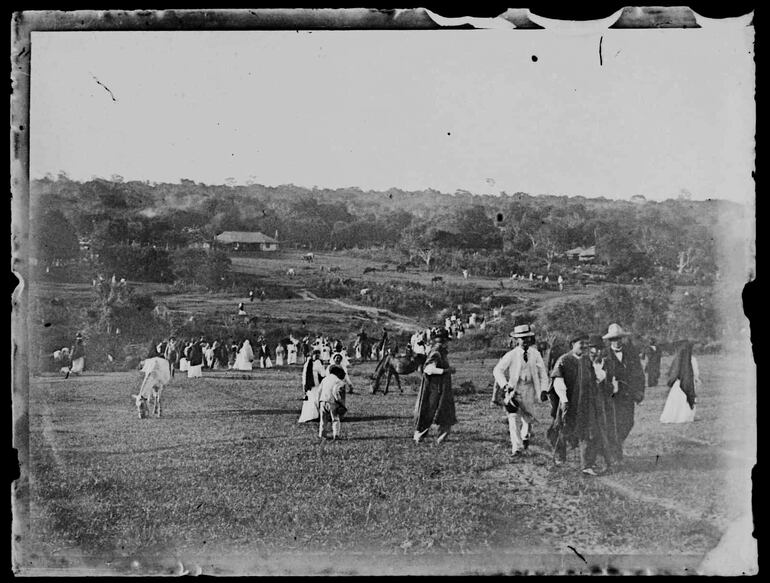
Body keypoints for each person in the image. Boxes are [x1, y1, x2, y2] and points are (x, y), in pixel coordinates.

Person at [548, 332, 615, 475]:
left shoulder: (587, 360)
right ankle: (560, 455)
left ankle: (587, 465)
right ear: (573, 344)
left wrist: (600, 370)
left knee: (588, 430)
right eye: (581, 343)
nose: (584, 346)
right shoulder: (564, 360)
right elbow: (558, 382)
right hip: (569, 400)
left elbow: (596, 378)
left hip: (585, 402)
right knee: (564, 428)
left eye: (586, 343)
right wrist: (564, 401)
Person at [492, 324, 549, 458]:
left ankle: (525, 436)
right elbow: (497, 370)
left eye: (527, 338)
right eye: (522, 338)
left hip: (529, 388)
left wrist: (544, 389)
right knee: (513, 417)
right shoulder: (512, 354)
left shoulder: (535, 354)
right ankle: (516, 447)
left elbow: (543, 373)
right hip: (514, 389)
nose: (525, 341)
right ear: (517, 340)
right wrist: (505, 385)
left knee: (528, 417)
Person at [601, 323, 645, 462]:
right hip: (612, 396)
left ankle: (616, 444)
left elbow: (639, 373)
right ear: (610, 340)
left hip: (628, 394)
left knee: (628, 422)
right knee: (613, 423)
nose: (617, 341)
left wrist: (640, 391)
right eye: (614, 339)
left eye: (619, 338)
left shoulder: (631, 352)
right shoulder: (604, 355)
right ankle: (614, 451)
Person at [413, 327, 457, 444]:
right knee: (429, 409)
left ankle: (442, 433)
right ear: (443, 340)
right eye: (445, 340)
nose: (447, 343)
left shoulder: (440, 352)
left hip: (441, 386)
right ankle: (419, 434)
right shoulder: (436, 352)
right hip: (434, 387)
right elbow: (428, 369)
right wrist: (446, 371)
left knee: (444, 407)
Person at [660, 340, 700, 424]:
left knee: (676, 402)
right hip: (687, 382)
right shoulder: (692, 360)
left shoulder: (678, 360)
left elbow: (673, 372)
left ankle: (674, 416)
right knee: (685, 400)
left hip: (678, 384)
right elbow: (695, 373)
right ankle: (686, 416)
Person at [318, 365, 349, 440]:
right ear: (337, 373)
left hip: (322, 401)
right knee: (335, 419)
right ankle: (336, 435)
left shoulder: (324, 379)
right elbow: (335, 392)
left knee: (323, 420)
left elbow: (319, 391)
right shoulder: (338, 381)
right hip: (332, 402)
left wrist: (319, 401)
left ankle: (322, 435)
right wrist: (340, 403)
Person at [299, 350, 326, 423]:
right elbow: (304, 375)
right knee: (312, 400)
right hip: (311, 385)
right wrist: (304, 385)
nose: (316, 356)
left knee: (316, 399)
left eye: (318, 354)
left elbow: (323, 374)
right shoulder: (309, 363)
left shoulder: (317, 363)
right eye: (315, 354)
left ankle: (316, 415)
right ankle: (312, 416)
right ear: (312, 355)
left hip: (317, 384)